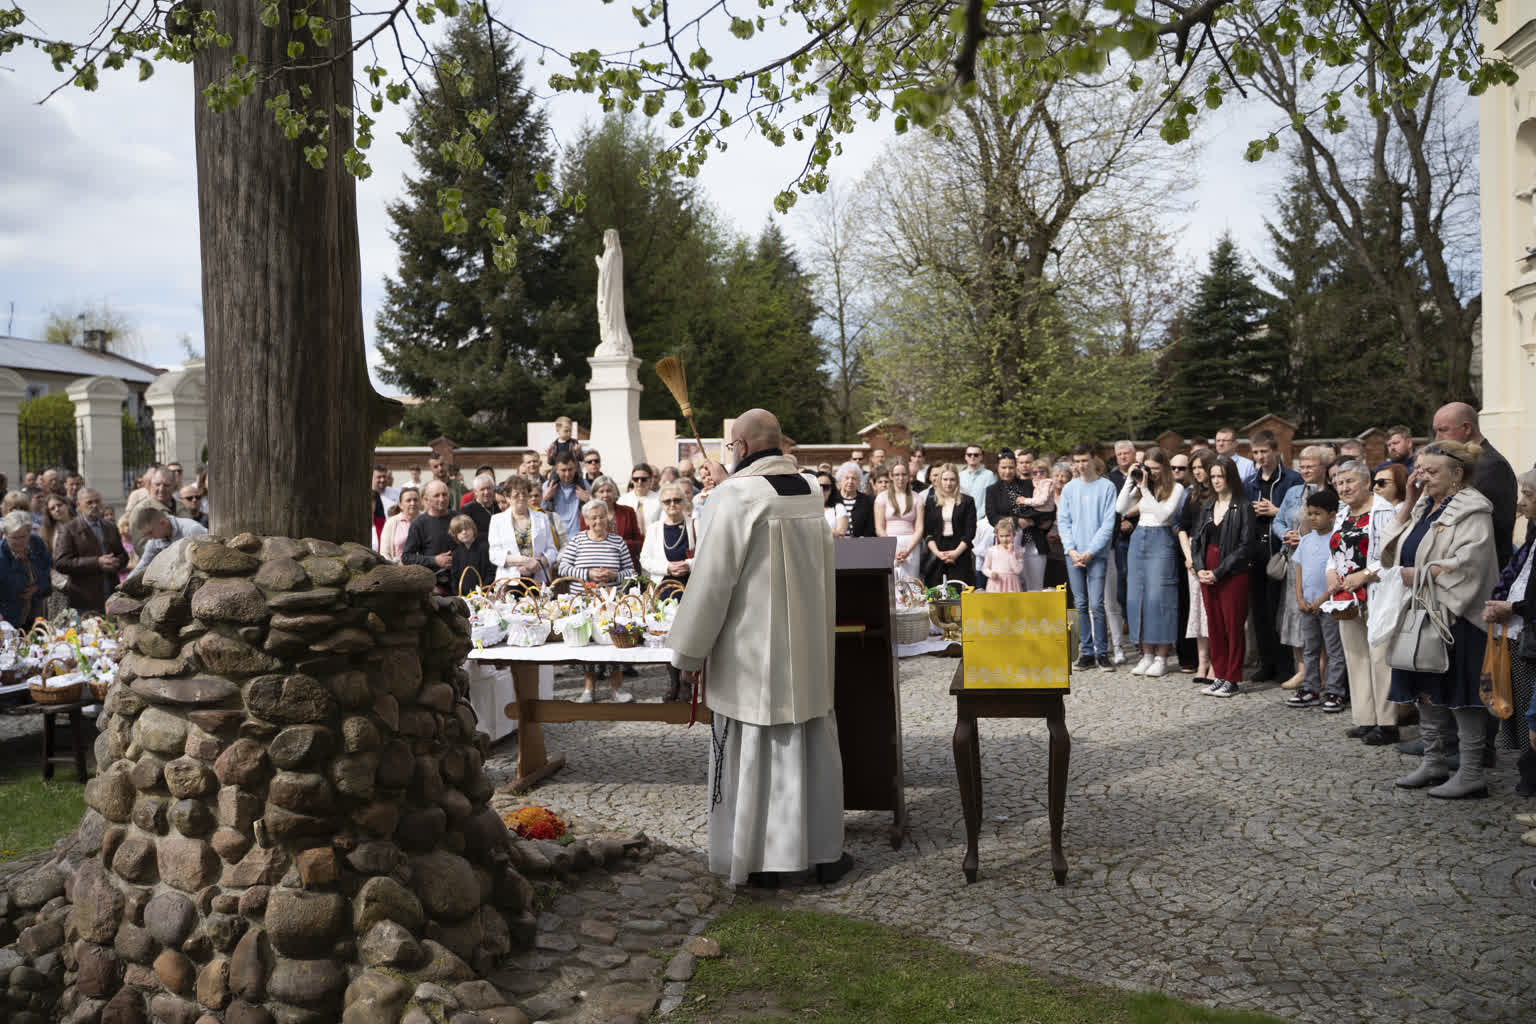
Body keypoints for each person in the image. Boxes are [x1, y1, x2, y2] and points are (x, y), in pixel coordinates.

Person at [667, 408, 848, 887]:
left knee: (757, 749)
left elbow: (710, 583)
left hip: (754, 656)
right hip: (807, 652)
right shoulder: (810, 490)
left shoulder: (735, 496)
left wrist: (686, 653)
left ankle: (762, 860)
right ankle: (824, 851)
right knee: (810, 743)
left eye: (732, 445)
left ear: (741, 447)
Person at [1382, 439, 1501, 798]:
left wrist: (1421, 574)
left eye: (1432, 471)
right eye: (1420, 470)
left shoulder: (1473, 510)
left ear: (1457, 474)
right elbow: (1389, 551)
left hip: (1457, 616)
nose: (1423, 477)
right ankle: (1434, 760)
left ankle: (1471, 772)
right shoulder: (1423, 506)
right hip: (1423, 613)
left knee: (1462, 697)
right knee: (1426, 692)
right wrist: (1406, 502)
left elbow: (1471, 564)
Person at [1319, 460, 1398, 734]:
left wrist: (1364, 574)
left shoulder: (1384, 511)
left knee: (1379, 657)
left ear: (1367, 482)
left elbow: (1392, 556)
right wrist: (1330, 572)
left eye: (1350, 481)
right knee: (1356, 656)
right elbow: (1335, 551)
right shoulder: (1342, 513)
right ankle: (1365, 719)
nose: (1344, 488)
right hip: (1347, 597)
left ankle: (1387, 723)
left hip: (1377, 592)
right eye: (1339, 483)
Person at [1482, 470, 1536, 783]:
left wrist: (1513, 607)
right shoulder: (1531, 534)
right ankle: (1527, 780)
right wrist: (1499, 602)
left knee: (1532, 714)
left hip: (1528, 631)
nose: (1521, 504)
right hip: (1517, 631)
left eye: (1528, 495)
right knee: (1520, 711)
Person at [559, 499, 637, 704]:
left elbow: (631, 573)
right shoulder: (577, 541)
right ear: (586, 520)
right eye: (593, 517)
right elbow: (563, 568)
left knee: (613, 645)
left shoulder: (617, 542)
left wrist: (614, 575)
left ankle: (617, 689)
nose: (598, 521)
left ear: (607, 517)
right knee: (588, 647)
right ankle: (588, 689)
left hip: (611, 604)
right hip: (584, 602)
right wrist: (588, 574)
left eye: (602, 516)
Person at [1272, 445, 1335, 690]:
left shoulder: (1331, 494)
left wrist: (1304, 536)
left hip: (1320, 560)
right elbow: (1278, 520)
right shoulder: (1294, 491)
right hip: (1294, 559)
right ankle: (1302, 669)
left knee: (1320, 614)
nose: (1305, 470)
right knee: (1295, 613)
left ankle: (1321, 668)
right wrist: (1286, 533)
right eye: (1303, 466)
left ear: (1323, 467)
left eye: (1311, 466)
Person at [1193, 455, 1256, 698]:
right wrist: (1199, 569)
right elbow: (1197, 541)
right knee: (1215, 625)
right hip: (1207, 571)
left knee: (1233, 625)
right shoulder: (1207, 506)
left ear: (1230, 477)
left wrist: (1219, 572)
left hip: (1232, 573)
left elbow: (1245, 546)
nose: (1216, 481)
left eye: (1221, 476)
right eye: (1213, 476)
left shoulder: (1243, 506)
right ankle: (1219, 674)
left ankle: (1232, 676)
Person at [1118, 448, 1184, 677]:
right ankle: (1145, 654)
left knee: (1160, 597)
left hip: (1161, 539)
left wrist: (1145, 489)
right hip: (1139, 539)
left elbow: (1163, 515)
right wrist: (1130, 481)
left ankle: (1162, 657)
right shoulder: (1143, 485)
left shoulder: (1176, 487)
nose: (1152, 473)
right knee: (1137, 598)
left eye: (1156, 469)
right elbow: (1121, 508)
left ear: (1164, 468)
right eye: (1148, 468)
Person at [1432, 402, 1518, 569]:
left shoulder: (1492, 466)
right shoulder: (1466, 463)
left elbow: (1484, 528)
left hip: (1479, 572)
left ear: (1467, 428)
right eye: (1435, 431)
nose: (1437, 439)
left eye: (1443, 430)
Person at [1287, 490, 1349, 713]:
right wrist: (1300, 598)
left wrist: (1322, 600)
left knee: (1334, 650)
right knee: (1310, 649)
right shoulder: (1306, 539)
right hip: (1307, 605)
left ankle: (1334, 691)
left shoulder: (1337, 539)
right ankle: (1310, 688)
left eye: (1317, 514)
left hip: (1329, 604)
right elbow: (1299, 570)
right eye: (1309, 513)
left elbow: (1339, 576)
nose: (1312, 518)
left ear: (1332, 514)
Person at [1059, 445, 1118, 670]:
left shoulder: (1106, 487)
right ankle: (1086, 652)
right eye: (1077, 461)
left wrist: (1090, 551)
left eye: (1085, 460)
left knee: (1097, 604)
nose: (1081, 466)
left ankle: (1101, 652)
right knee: (1081, 603)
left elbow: (1108, 523)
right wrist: (1072, 550)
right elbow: (1063, 521)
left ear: (1093, 460)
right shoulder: (1069, 489)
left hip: (1096, 554)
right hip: (1073, 554)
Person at [640, 482, 697, 701]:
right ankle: (673, 681)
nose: (672, 505)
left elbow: (705, 552)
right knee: (667, 636)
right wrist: (667, 567)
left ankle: (686, 682)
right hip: (664, 590)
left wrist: (689, 565)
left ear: (684, 502)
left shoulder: (695, 525)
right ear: (662, 504)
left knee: (688, 637)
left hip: (690, 588)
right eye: (667, 501)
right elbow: (644, 558)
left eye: (677, 500)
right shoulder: (655, 529)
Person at [51, 488, 127, 614]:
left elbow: (123, 555)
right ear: (79, 505)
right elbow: (61, 563)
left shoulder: (110, 527)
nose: (94, 506)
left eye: (97, 502)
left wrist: (116, 561)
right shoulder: (69, 529)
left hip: (111, 593)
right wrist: (97, 562)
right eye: (89, 502)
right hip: (84, 597)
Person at [1179, 448, 1219, 683]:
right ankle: (1202, 661)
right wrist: (1189, 557)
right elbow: (1183, 528)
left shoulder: (1220, 495)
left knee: (1211, 612)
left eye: (1200, 468)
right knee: (1197, 612)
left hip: (1213, 553)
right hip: (1193, 555)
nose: (1197, 472)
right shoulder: (1191, 495)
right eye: (1193, 469)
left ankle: (1216, 662)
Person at [488, 477, 558, 588]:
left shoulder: (542, 517)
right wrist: (523, 561)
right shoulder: (497, 520)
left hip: (538, 580)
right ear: (507, 497)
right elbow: (494, 554)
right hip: (509, 581)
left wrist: (539, 564)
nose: (521, 498)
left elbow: (552, 550)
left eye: (524, 494)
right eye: (516, 495)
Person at [921, 463, 977, 590]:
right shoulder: (931, 501)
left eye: (952, 479)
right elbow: (927, 532)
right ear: (940, 481)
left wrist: (956, 553)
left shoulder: (967, 501)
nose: (948, 483)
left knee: (959, 593)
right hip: (937, 551)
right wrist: (938, 553)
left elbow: (970, 532)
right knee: (936, 593)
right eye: (945, 479)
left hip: (960, 550)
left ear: (957, 481)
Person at [401, 480, 457, 592]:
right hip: (433, 584)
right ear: (426, 499)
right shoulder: (419, 523)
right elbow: (407, 557)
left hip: (459, 580)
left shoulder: (458, 518)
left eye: (444, 494)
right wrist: (434, 560)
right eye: (437, 495)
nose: (442, 499)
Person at [126, 504, 209, 579]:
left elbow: (211, 552)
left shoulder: (191, 529)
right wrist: (126, 581)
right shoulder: (154, 540)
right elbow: (144, 563)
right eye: (146, 535)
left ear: (163, 523)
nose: (149, 538)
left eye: (150, 532)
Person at [1, 510, 50, 628]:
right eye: (14, 537)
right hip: (8, 616)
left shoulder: (36, 543)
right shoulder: (1, 556)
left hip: (35, 611)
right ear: (5, 534)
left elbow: (46, 568)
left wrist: (38, 586)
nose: (20, 542)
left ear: (29, 532)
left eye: (23, 536)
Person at [582, 475, 643, 568]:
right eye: (601, 491)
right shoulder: (587, 514)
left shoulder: (628, 511)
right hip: (599, 566)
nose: (605, 495)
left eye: (609, 491)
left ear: (615, 492)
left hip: (627, 564)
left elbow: (638, 541)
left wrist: (622, 544)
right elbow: (584, 542)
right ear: (594, 495)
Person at [875, 460, 921, 579]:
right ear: (891, 476)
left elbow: (919, 528)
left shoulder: (917, 498)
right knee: (891, 583)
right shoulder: (882, 497)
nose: (900, 478)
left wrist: (908, 551)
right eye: (897, 475)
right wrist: (892, 550)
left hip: (910, 545)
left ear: (908, 476)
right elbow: (879, 528)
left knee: (911, 584)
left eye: (904, 474)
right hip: (889, 543)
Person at [542, 452, 588, 543]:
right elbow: (536, 513)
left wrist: (588, 500)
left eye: (570, 469)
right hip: (555, 538)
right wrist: (545, 498)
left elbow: (596, 511)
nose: (567, 474)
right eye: (563, 470)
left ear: (575, 469)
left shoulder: (584, 486)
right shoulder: (547, 487)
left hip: (579, 538)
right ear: (556, 470)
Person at [447, 514, 492, 596]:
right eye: (460, 531)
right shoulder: (456, 553)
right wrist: (458, 594)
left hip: (484, 594)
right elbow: (454, 577)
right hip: (463, 595)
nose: (464, 532)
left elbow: (491, 573)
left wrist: (483, 592)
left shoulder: (485, 548)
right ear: (455, 535)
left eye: (467, 529)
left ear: (473, 529)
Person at [377, 486, 422, 563]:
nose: (413, 503)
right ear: (400, 505)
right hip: (397, 570)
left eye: (415, 500)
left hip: (423, 569)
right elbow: (384, 553)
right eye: (408, 500)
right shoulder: (391, 522)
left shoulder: (425, 520)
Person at [831, 464, 875, 538]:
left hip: (859, 543)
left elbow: (870, 526)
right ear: (840, 480)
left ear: (859, 481)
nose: (850, 481)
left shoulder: (867, 500)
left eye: (854, 478)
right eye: (847, 478)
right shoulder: (832, 499)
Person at [982, 517, 1023, 592]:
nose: (1005, 539)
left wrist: (1011, 553)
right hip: (996, 584)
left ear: (1013, 535)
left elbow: (1018, 570)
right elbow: (985, 568)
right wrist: (991, 574)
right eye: (1001, 536)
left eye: (1007, 535)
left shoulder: (1018, 551)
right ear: (997, 536)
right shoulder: (992, 551)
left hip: (1011, 585)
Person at [620, 463, 661, 528]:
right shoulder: (623, 500)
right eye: (636, 479)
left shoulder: (659, 500)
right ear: (632, 481)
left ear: (650, 480)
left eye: (643, 479)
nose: (639, 482)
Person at [957, 445, 996, 513]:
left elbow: (991, 499)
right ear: (965, 457)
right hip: (963, 517)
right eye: (969, 455)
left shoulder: (989, 475)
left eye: (976, 455)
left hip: (982, 519)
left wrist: (980, 516)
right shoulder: (960, 476)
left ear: (981, 457)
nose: (972, 457)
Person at [461, 473, 499, 538]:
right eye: (482, 489)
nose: (486, 492)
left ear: (493, 489)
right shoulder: (468, 509)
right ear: (475, 491)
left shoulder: (498, 505)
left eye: (489, 488)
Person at [371, 464, 399, 537]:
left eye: (384, 477)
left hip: (394, 532)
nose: (382, 480)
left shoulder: (396, 493)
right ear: (372, 477)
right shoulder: (368, 496)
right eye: (379, 477)